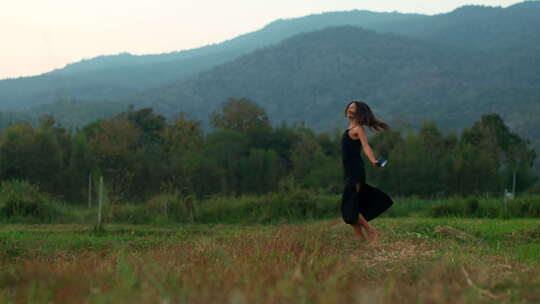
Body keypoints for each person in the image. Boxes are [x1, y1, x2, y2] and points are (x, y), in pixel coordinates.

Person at [341, 101, 390, 243]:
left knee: (350, 206)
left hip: (355, 171)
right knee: (351, 206)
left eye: (353, 109)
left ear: (359, 113)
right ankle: (361, 239)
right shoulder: (350, 128)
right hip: (349, 171)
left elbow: (366, 147)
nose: (350, 110)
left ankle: (372, 231)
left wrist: (374, 160)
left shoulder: (358, 129)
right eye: (349, 108)